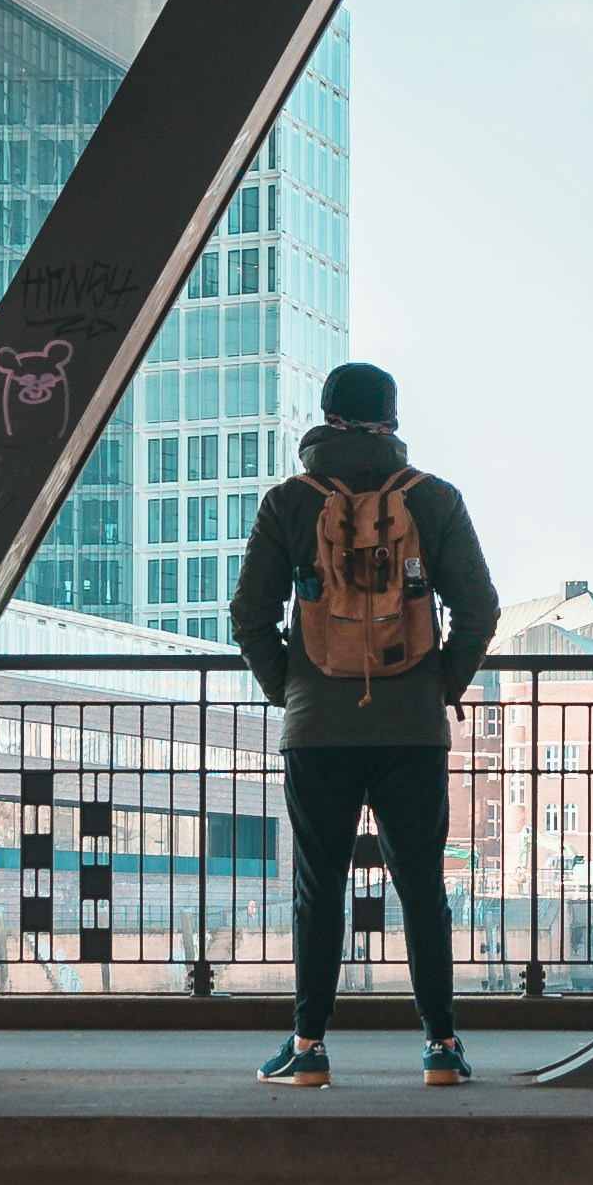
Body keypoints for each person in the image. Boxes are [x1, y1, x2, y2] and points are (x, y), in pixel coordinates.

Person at [229, 358, 500, 1088]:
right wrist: (442, 682)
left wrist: (290, 691)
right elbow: (480, 607)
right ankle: (440, 1045)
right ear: (392, 418)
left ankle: (309, 1048)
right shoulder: (434, 499)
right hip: (412, 727)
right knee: (420, 887)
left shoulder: (288, 500)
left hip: (317, 729)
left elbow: (247, 615)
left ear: (323, 415)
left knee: (319, 886)